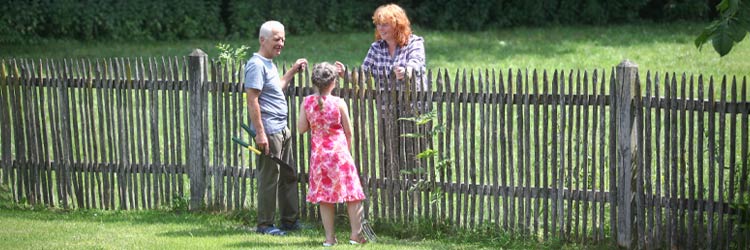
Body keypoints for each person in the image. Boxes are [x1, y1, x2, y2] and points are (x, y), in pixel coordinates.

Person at [244, 20, 308, 236]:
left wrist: (291, 71)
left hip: (282, 128)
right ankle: (265, 225)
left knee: (288, 175)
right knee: (270, 178)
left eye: (283, 39)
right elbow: (252, 100)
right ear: (263, 40)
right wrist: (260, 133)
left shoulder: (269, 63)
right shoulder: (256, 65)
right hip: (269, 131)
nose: (281, 43)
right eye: (276, 39)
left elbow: (277, 87)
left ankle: (289, 221)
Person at [297, 62, 367, 246]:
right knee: (352, 194)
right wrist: (347, 152)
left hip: (319, 156)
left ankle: (329, 239)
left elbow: (302, 128)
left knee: (324, 197)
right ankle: (355, 235)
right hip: (339, 154)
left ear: (314, 82)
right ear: (334, 82)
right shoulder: (339, 103)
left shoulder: (307, 102)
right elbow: (349, 131)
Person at [359, 3, 425, 88]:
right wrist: (345, 74)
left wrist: (406, 72)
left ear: (398, 26)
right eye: (378, 24)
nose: (380, 28)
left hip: (412, 100)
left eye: (385, 25)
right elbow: (362, 76)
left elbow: (415, 63)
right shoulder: (376, 47)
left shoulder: (414, 42)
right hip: (384, 101)